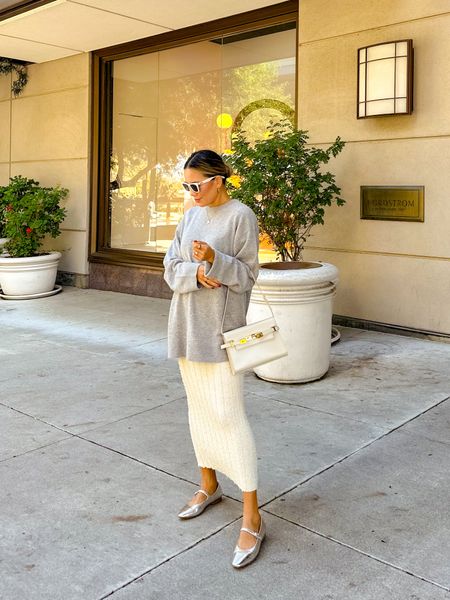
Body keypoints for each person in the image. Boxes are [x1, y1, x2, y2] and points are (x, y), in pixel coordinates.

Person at [163, 149, 265, 569]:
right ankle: (209, 484)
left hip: (221, 332)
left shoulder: (241, 216)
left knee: (228, 415)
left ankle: (252, 515)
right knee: (198, 410)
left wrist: (214, 261)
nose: (192, 192)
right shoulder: (189, 216)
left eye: (197, 184)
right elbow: (170, 267)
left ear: (219, 178)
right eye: (186, 185)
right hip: (186, 324)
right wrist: (196, 273)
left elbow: (248, 275)